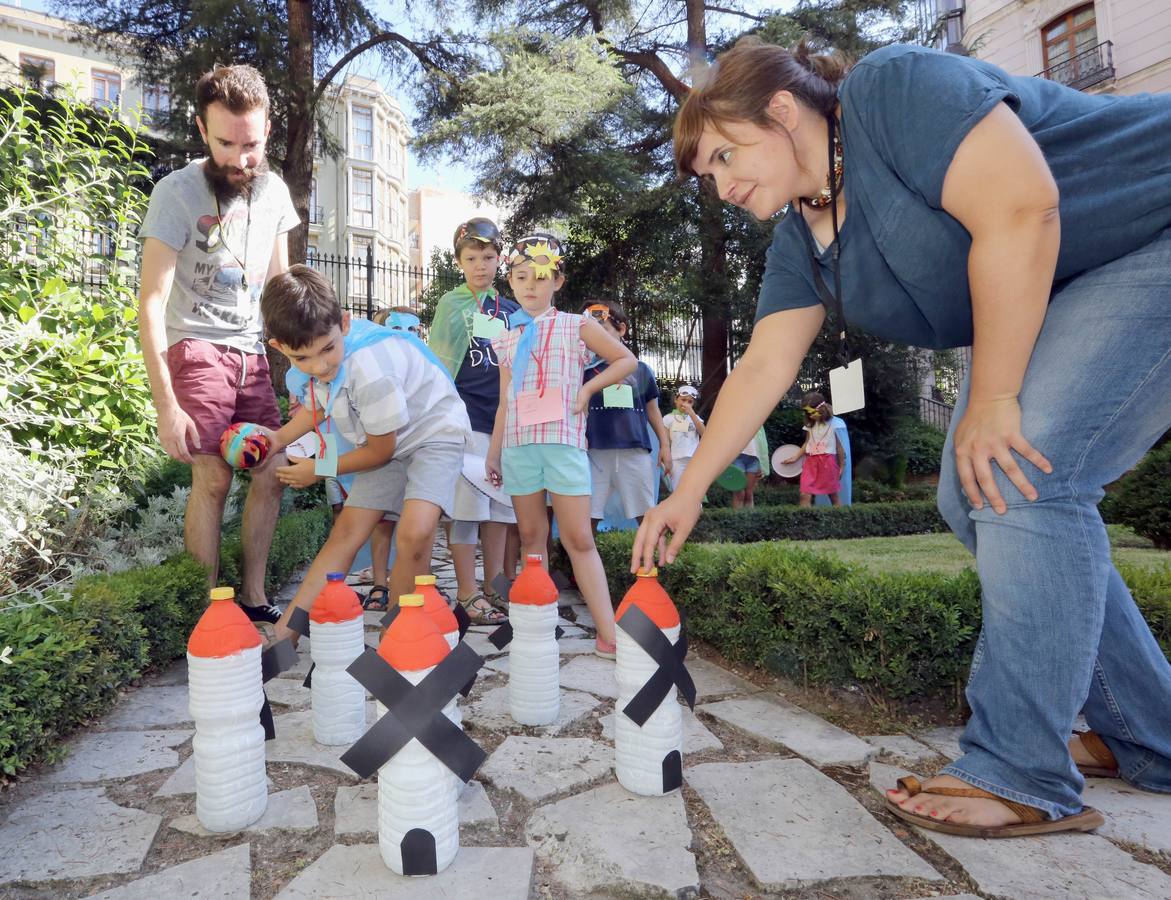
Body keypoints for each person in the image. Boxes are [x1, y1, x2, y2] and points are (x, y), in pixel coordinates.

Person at [635, 37, 1171, 837]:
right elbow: (762, 367)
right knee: (970, 491)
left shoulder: (894, 89)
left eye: (723, 153)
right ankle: (1151, 734)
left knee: (1020, 475)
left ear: (782, 112)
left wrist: (990, 397)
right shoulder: (801, 241)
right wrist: (686, 490)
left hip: (1152, 233)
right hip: (1072, 279)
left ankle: (1020, 770)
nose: (718, 182)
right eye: (705, 174)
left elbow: (1021, 209)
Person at [137, 64, 298, 625]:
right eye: (226, 143)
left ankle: (251, 598)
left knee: (273, 471)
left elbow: (280, 289)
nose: (240, 158)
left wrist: (306, 370)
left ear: (268, 130)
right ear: (203, 132)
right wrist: (167, 407)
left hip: (251, 352)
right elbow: (151, 305)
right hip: (197, 348)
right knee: (213, 476)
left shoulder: (275, 192)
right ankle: (208, 612)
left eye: (250, 144)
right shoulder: (175, 193)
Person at [258, 266, 471, 646]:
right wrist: (276, 440)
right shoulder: (325, 363)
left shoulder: (369, 369)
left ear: (345, 322)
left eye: (327, 349)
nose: (320, 366)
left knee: (415, 532)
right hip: (386, 441)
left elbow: (380, 451)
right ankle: (283, 634)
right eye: (302, 358)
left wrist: (319, 469)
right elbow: (319, 407)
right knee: (346, 533)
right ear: (279, 348)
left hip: (434, 433)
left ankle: (400, 637)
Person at [486, 234, 636, 658]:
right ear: (510, 284)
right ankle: (537, 627)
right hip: (518, 448)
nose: (530, 285)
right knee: (533, 538)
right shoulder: (505, 339)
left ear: (558, 280)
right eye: (520, 277)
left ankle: (608, 633)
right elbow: (503, 403)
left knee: (578, 539)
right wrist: (494, 452)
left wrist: (588, 391)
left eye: (540, 277)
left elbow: (626, 361)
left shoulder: (576, 324)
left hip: (564, 444)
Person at [428, 218, 516, 624]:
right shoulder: (451, 304)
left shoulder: (511, 309)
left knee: (498, 509)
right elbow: (439, 364)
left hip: (503, 424)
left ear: (500, 259)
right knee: (466, 511)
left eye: (488, 256)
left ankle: (495, 586)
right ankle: (466, 591)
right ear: (459, 261)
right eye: (471, 258)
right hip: (465, 422)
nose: (480, 265)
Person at [581, 301, 672, 529]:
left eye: (605, 331)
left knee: (646, 513)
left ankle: (651, 563)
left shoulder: (640, 370)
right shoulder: (582, 371)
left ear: (621, 329)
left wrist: (665, 444)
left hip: (635, 451)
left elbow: (653, 409)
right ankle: (584, 565)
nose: (597, 339)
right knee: (588, 515)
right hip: (593, 452)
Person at [784, 393, 845, 507]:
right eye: (807, 413)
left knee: (833, 495)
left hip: (827, 462)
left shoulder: (834, 424)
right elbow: (807, 442)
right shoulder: (810, 425)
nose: (810, 415)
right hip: (810, 462)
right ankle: (806, 521)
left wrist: (841, 466)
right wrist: (795, 457)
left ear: (822, 409)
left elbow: (839, 447)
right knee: (804, 494)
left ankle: (840, 520)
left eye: (812, 412)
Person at [663, 385, 705, 492]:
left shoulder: (696, 418)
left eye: (690, 401)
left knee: (695, 490)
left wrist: (692, 414)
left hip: (694, 459)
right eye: (683, 400)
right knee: (677, 490)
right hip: (676, 460)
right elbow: (665, 441)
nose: (686, 403)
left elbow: (705, 433)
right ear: (676, 400)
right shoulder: (668, 418)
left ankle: (696, 508)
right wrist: (666, 460)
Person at [730, 427, 769, 508]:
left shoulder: (758, 421)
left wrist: (762, 465)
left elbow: (763, 444)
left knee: (749, 494)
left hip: (754, 459)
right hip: (737, 458)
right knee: (739, 493)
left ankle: (749, 519)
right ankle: (736, 520)